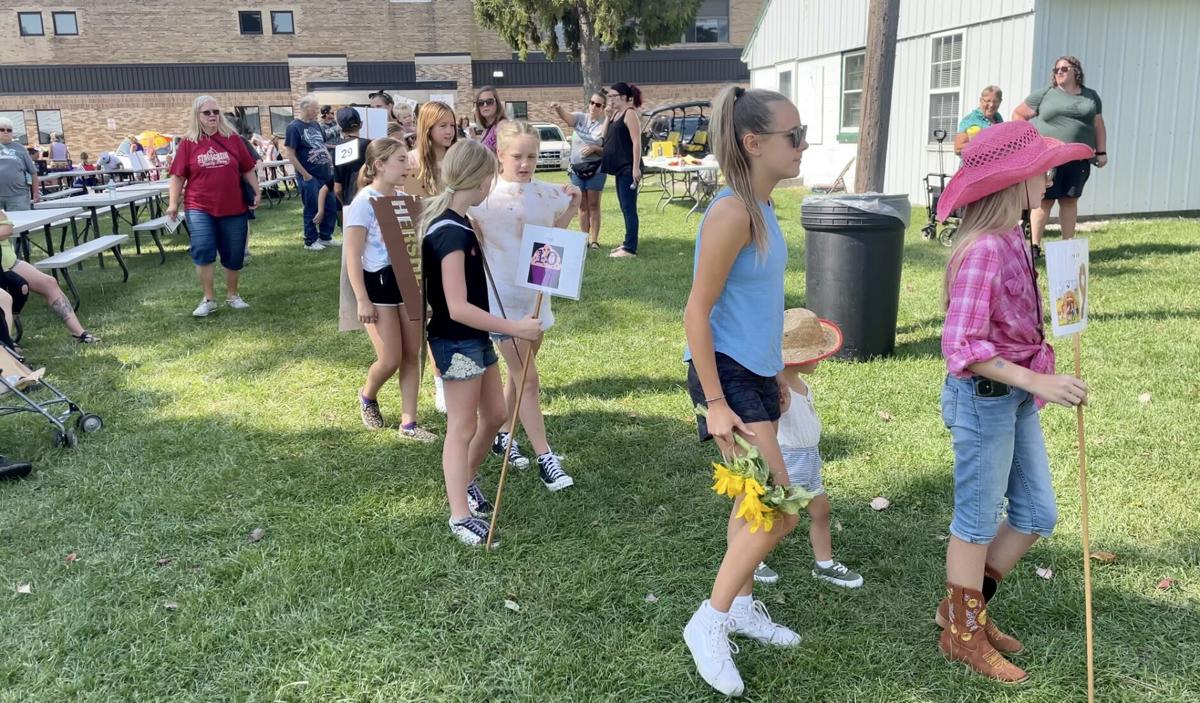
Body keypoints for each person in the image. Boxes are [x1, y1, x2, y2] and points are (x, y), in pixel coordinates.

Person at [933, 120, 1092, 683]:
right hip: (984, 400)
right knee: (975, 522)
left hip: (1014, 399)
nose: (1048, 177)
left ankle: (963, 607)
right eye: (1040, 169)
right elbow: (962, 346)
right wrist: (1038, 381)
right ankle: (963, 632)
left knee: (1035, 514)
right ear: (1014, 180)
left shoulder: (1015, 238)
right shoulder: (982, 252)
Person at [681, 85, 808, 697]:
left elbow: (757, 305)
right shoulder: (731, 212)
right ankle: (708, 622)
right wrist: (715, 401)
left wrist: (778, 370)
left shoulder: (763, 206)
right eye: (794, 136)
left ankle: (741, 607)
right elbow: (696, 311)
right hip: (724, 377)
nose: (803, 145)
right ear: (753, 143)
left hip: (753, 373)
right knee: (780, 506)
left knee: (753, 502)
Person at [419, 139, 541, 547]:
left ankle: (466, 480)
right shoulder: (449, 232)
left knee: (494, 414)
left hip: (475, 339)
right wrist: (513, 327)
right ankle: (459, 514)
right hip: (457, 342)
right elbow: (455, 306)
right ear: (481, 179)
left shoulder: (461, 223)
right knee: (461, 426)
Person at [470, 120, 581, 490]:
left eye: (531, 156)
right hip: (500, 301)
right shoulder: (483, 198)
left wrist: (571, 206)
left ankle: (504, 434)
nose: (525, 163)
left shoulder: (548, 194)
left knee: (520, 377)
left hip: (536, 299)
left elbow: (555, 238)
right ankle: (545, 458)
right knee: (529, 379)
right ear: (500, 154)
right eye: (517, 155)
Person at [752, 308, 863, 590]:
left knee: (821, 511)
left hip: (810, 459)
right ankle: (751, 559)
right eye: (816, 353)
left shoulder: (799, 383)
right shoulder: (779, 390)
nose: (821, 358)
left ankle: (824, 564)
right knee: (777, 516)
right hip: (790, 461)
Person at [343, 137, 437, 442]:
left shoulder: (404, 198)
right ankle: (367, 394)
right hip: (378, 287)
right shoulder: (363, 203)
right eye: (400, 159)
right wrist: (362, 299)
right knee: (390, 359)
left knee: (412, 353)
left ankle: (409, 423)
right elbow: (352, 255)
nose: (407, 164)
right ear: (379, 165)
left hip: (408, 283)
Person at [167, 95, 261, 318]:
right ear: (196, 116)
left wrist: (257, 190)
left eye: (215, 112)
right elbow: (178, 175)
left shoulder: (233, 139)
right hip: (199, 206)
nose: (212, 116)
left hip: (234, 205)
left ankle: (233, 295)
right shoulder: (188, 143)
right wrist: (172, 203)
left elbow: (248, 168)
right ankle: (209, 299)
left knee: (234, 252)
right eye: (207, 113)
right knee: (203, 249)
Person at [1012, 55, 1107, 257]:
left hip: (1078, 157)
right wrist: (1029, 142)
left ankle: (1068, 246)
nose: (1060, 72)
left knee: (1070, 200)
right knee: (1044, 200)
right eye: (1056, 70)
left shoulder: (1091, 96)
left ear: (1076, 71)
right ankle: (1034, 246)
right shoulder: (1046, 94)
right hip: (1048, 157)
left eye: (1064, 69)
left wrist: (1101, 152)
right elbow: (1018, 114)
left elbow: (1098, 124)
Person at [0, 209, 99, 343]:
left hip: (9, 261)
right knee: (13, 293)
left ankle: (79, 333)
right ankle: (7, 344)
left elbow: (8, 228)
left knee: (49, 283)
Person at [284, 94, 340, 251]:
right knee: (312, 207)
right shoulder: (294, 127)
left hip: (325, 174)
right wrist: (305, 175)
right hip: (309, 176)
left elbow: (321, 145)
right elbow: (290, 153)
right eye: (315, 108)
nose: (317, 111)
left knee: (330, 206)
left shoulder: (316, 124)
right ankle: (310, 240)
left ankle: (325, 236)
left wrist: (330, 162)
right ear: (305, 108)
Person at [552, 92, 608, 249]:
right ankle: (584, 239)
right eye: (592, 103)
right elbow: (567, 118)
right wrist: (559, 109)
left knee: (594, 204)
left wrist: (595, 148)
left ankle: (594, 240)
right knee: (581, 206)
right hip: (577, 169)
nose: (593, 107)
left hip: (596, 169)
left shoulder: (605, 123)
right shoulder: (580, 118)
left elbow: (608, 151)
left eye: (598, 105)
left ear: (603, 108)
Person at [601, 82, 644, 258]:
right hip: (619, 168)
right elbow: (604, 136)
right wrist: (607, 116)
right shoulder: (615, 114)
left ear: (625, 97)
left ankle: (630, 248)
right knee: (624, 207)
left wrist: (635, 168)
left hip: (628, 168)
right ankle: (627, 243)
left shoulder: (630, 113)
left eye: (613, 96)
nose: (610, 99)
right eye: (609, 96)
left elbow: (637, 142)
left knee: (629, 207)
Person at [406, 102, 459, 199]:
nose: (449, 131)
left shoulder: (459, 159)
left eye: (452, 125)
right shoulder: (410, 160)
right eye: (443, 126)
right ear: (428, 128)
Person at [333, 108, 371, 206]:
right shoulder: (369, 145)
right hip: (371, 200)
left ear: (339, 128)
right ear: (361, 124)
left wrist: (345, 204)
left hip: (350, 203)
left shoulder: (337, 150)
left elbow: (337, 189)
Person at [0, 117, 40, 210]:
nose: (6, 132)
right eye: (2, 129)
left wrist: (36, 193)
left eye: (9, 130)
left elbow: (33, 172)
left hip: (18, 197)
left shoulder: (20, 149)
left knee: (20, 223)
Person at [954, 85, 1004, 154]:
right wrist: (983, 145)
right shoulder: (970, 120)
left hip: (995, 163)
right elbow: (958, 148)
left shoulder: (998, 118)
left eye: (995, 101)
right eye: (988, 101)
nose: (991, 105)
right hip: (976, 163)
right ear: (981, 100)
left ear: (1000, 102)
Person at [472, 86, 507, 154]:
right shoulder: (487, 129)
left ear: (497, 103)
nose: (485, 105)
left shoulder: (502, 126)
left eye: (489, 102)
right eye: (481, 103)